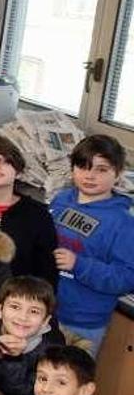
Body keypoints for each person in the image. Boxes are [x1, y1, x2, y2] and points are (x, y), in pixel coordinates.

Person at [50, 134, 134, 354]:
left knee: (71, 382)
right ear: (72, 169)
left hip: (82, 322)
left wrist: (79, 264)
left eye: (101, 169)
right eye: (83, 167)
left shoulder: (123, 223)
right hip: (44, 308)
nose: (90, 175)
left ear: (118, 174)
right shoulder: (61, 201)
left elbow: (126, 278)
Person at [0, 135, 58, 285]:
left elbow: (47, 273)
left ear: (18, 172)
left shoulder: (38, 214)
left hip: (19, 300)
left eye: (6, 162)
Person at [0, 276, 64, 395]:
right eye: (15, 306)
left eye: (34, 311)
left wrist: (14, 359)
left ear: (45, 321)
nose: (23, 317)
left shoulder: (51, 349)